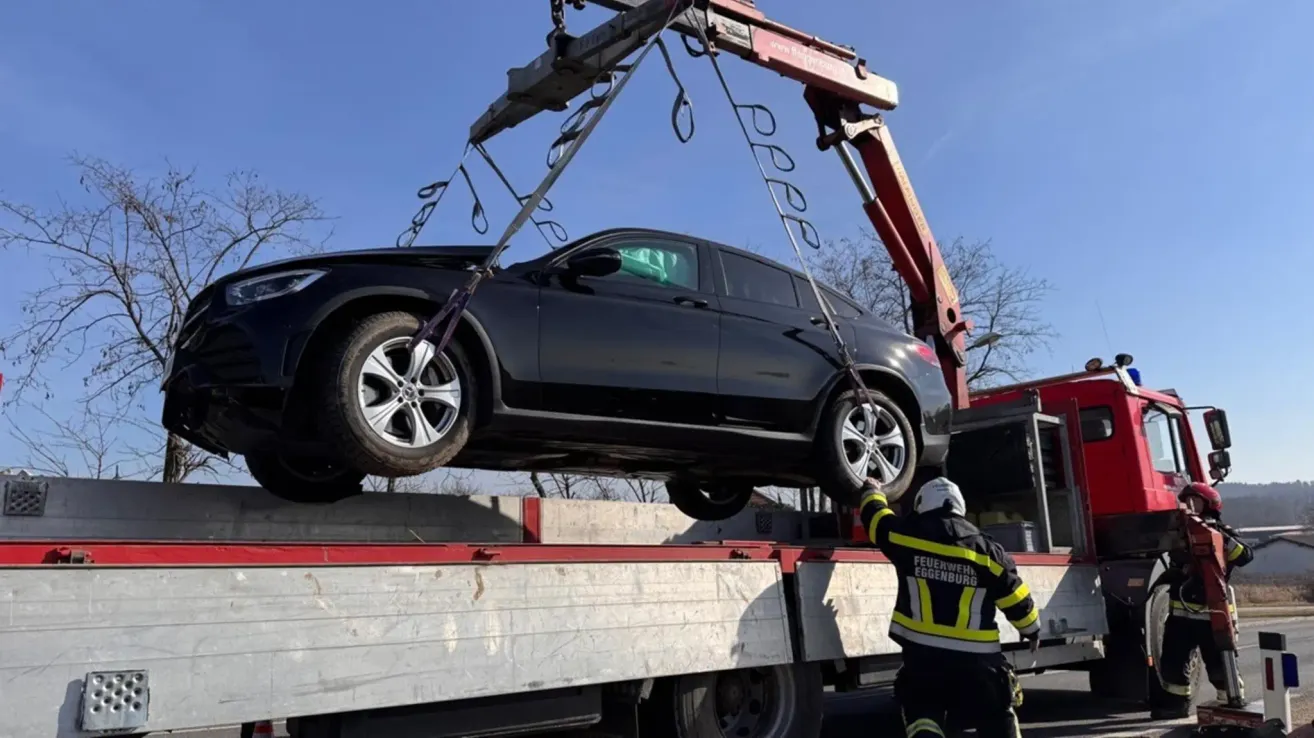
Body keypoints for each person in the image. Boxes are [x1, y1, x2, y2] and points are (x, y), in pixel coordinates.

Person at [860, 476, 1041, 738]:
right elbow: (1015, 596)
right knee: (998, 715)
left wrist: (872, 491)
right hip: (980, 665)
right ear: (961, 506)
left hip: (924, 662)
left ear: (922, 505)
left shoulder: (905, 538)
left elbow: (876, 520)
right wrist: (1032, 629)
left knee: (923, 716)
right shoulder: (988, 551)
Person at [1152, 482, 1255, 719]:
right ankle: (1174, 706)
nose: (1189, 506)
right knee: (1173, 664)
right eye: (1186, 501)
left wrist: (1217, 538)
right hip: (1181, 615)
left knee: (1219, 664)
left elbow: (1245, 556)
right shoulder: (1179, 532)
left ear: (1209, 504)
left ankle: (1232, 703)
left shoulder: (1220, 532)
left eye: (1194, 501)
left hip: (1213, 614)